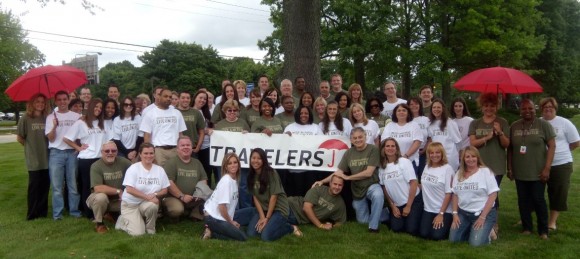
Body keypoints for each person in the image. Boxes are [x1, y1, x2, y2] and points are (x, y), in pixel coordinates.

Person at [314, 127, 383, 233]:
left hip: (371, 185)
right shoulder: (348, 153)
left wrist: (348, 177)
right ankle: (385, 214)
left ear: (365, 136)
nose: (358, 140)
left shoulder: (373, 149)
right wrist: (322, 181)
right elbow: (338, 172)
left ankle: (373, 227)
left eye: (360, 137)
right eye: (355, 138)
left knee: (378, 194)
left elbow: (369, 173)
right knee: (362, 222)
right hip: (357, 190)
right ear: (351, 140)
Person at [508, 99, 555, 239]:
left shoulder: (543, 125)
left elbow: (552, 146)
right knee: (522, 200)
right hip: (520, 171)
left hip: (538, 171)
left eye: (530, 108)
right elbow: (510, 149)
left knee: (538, 199)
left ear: (535, 109)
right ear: (520, 110)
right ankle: (527, 227)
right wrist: (509, 167)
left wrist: (547, 168)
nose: (527, 111)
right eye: (524, 109)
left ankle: (543, 230)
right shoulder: (515, 126)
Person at [468, 93, 509, 232]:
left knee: (493, 193)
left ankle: (494, 223)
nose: (489, 108)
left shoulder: (501, 122)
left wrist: (500, 133)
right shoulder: (475, 123)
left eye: (492, 106)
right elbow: (472, 143)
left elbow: (506, 144)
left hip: (496, 165)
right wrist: (488, 137)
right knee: (481, 193)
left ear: (496, 107)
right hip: (479, 165)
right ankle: (480, 219)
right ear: (482, 107)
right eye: (486, 106)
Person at [539, 97, 580, 231]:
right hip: (539, 163)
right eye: (545, 107)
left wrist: (561, 151)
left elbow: (575, 142)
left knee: (558, 192)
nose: (548, 109)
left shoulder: (564, 123)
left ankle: (552, 222)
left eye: (551, 107)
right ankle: (525, 217)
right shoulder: (538, 123)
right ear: (542, 109)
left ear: (555, 108)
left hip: (561, 164)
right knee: (535, 192)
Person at [63, 98, 107, 218]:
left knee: (98, 187)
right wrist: (78, 148)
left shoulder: (101, 123)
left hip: (99, 159)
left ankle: (99, 210)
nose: (98, 109)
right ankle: (88, 212)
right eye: (96, 106)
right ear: (91, 107)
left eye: (100, 107)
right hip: (86, 159)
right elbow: (66, 138)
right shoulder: (81, 123)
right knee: (87, 186)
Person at [247, 148, 302, 241]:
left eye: (259, 158)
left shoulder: (271, 173)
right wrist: (261, 216)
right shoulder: (251, 175)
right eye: (253, 158)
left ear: (263, 160)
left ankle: (290, 227)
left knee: (266, 237)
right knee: (251, 233)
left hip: (278, 210)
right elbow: (255, 197)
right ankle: (271, 225)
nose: (255, 161)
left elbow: (274, 197)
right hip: (264, 209)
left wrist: (267, 218)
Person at [115, 143, 170, 236]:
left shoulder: (160, 170)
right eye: (146, 153)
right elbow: (129, 189)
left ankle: (151, 229)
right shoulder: (133, 168)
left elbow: (165, 190)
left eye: (151, 153)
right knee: (138, 234)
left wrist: (155, 194)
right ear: (140, 154)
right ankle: (122, 221)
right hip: (130, 205)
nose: (149, 156)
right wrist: (148, 197)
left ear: (154, 154)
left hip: (145, 204)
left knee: (153, 205)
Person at [449, 146, 499, 246]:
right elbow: (455, 194)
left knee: (475, 244)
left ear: (478, 158)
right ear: (463, 159)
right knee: (453, 240)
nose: (470, 159)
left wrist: (482, 217)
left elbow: (493, 195)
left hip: (483, 213)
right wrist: (455, 214)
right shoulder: (459, 173)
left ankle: (488, 231)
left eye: (473, 156)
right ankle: (475, 230)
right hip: (464, 213)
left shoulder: (486, 172)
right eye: (467, 157)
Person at [207, 100, 251, 208]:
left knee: (243, 185)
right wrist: (212, 133)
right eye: (229, 110)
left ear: (238, 111)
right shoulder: (220, 125)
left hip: (241, 160)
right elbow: (216, 141)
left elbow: (249, 140)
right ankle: (230, 209)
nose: (232, 112)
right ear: (224, 111)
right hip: (224, 161)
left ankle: (246, 209)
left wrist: (247, 134)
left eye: (234, 110)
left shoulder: (243, 123)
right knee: (227, 185)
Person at [45, 91, 82, 220]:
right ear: (55, 101)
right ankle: (57, 214)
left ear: (68, 100)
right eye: (59, 100)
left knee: (72, 184)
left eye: (64, 99)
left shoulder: (76, 116)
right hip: (56, 154)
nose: (62, 102)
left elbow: (80, 134)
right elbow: (50, 138)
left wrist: (79, 147)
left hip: (71, 153)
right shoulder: (51, 117)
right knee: (57, 186)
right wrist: (54, 127)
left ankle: (74, 211)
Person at [379, 137, 422, 236]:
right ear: (383, 149)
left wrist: (408, 206)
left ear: (397, 148)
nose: (390, 148)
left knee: (411, 230)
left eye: (393, 146)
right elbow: (384, 187)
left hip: (413, 201)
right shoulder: (382, 167)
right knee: (396, 229)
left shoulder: (404, 162)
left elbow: (414, 183)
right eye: (387, 146)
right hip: (397, 204)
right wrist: (392, 206)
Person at [17, 93, 50, 220]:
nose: (40, 104)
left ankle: (42, 212)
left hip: (46, 157)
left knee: (45, 186)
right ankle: (32, 213)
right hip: (34, 159)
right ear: (32, 103)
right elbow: (20, 138)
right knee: (34, 187)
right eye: (37, 102)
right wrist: (30, 148)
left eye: (42, 102)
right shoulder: (26, 118)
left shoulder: (47, 117)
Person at [87, 141, 131, 233]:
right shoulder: (96, 166)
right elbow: (97, 188)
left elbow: (136, 171)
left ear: (117, 151)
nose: (110, 153)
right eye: (107, 151)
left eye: (113, 151)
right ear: (102, 152)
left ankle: (111, 215)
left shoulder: (124, 162)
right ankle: (99, 224)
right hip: (100, 199)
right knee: (101, 197)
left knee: (134, 200)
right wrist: (119, 191)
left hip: (119, 200)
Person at [202, 153, 248, 241]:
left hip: (222, 215)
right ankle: (211, 231)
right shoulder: (226, 181)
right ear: (226, 167)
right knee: (242, 238)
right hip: (213, 217)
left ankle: (216, 229)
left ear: (238, 164)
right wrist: (231, 222)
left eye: (235, 162)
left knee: (252, 211)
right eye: (229, 163)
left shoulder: (234, 180)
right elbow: (222, 207)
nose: (233, 165)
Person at [162, 136, 209, 222]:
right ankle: (178, 212)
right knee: (176, 210)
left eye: (188, 145)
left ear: (192, 148)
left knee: (209, 200)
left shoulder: (197, 163)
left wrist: (199, 194)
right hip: (175, 197)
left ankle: (191, 213)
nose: (186, 147)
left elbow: (203, 180)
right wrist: (182, 196)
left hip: (193, 198)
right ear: (177, 149)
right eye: (182, 145)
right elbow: (169, 183)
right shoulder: (171, 162)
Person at [140, 88, 187, 166]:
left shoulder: (177, 113)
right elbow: (147, 136)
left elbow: (180, 134)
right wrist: (150, 153)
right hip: (158, 151)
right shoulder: (150, 114)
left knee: (174, 176)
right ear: (159, 97)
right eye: (165, 96)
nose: (168, 98)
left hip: (175, 150)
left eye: (170, 97)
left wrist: (181, 149)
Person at [283, 106, 323, 196]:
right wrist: (285, 137)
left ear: (310, 115)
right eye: (301, 113)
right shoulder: (290, 127)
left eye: (306, 113)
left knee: (310, 195)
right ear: (297, 114)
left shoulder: (315, 127)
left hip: (311, 169)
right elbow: (283, 145)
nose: (303, 115)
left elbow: (322, 145)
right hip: (294, 169)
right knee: (296, 195)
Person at [419, 142, 454, 240]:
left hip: (444, 210)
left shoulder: (448, 169)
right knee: (424, 234)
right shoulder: (427, 167)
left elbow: (449, 193)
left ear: (442, 154)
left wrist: (441, 214)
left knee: (436, 236)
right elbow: (423, 185)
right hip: (428, 209)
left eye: (437, 152)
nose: (434, 155)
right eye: (432, 153)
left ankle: (450, 225)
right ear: (428, 154)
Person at [381, 103, 423, 176]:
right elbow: (384, 142)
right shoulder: (389, 126)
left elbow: (417, 142)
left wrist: (405, 156)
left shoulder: (414, 125)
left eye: (404, 110)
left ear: (408, 113)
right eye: (399, 110)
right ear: (395, 113)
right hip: (392, 162)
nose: (401, 112)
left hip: (410, 161)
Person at [428, 98, 461, 171]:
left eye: (439, 107)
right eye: (434, 107)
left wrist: (458, 156)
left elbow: (458, 142)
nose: (436, 109)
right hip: (436, 157)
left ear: (443, 109)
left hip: (449, 157)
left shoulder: (450, 123)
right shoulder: (430, 124)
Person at [192, 90, 215, 187]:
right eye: (200, 98)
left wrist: (209, 130)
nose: (202, 100)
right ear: (195, 98)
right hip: (194, 146)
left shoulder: (206, 112)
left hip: (206, 146)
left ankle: (207, 192)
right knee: (194, 172)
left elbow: (212, 126)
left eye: (205, 99)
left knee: (207, 171)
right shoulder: (189, 111)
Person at [176, 91, 205, 156]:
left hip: (192, 148)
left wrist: (198, 147)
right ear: (179, 99)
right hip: (177, 148)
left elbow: (201, 132)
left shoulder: (196, 112)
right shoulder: (174, 112)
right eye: (183, 98)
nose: (185, 100)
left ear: (190, 99)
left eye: (188, 98)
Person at [408, 97, 430, 179]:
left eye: (416, 103)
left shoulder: (426, 120)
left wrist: (424, 150)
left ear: (420, 105)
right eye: (411, 104)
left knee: (423, 177)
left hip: (423, 153)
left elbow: (430, 138)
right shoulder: (407, 121)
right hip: (410, 154)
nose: (414, 106)